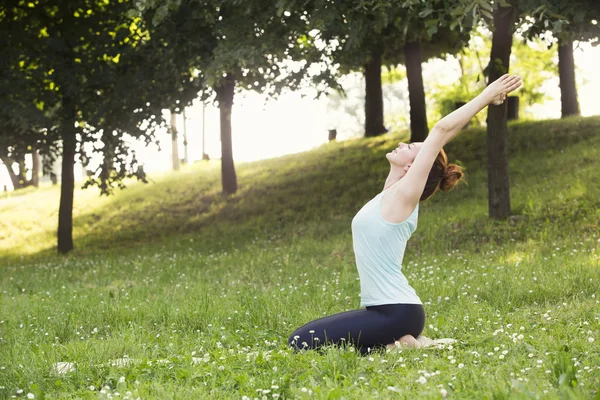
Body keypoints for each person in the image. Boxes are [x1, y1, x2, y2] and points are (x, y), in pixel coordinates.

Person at [288, 74, 523, 354]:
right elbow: (439, 136)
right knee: (318, 341)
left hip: (398, 312)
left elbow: (441, 131)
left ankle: (402, 343)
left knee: (300, 341)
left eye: (411, 148)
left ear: (415, 169)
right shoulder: (390, 193)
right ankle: (403, 345)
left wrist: (486, 96)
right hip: (386, 311)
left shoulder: (405, 196)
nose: (402, 144)